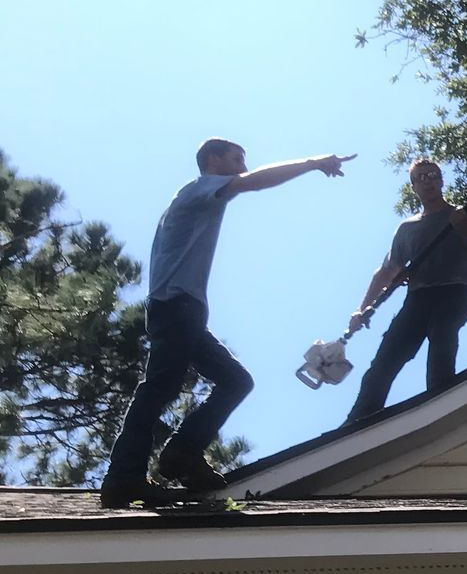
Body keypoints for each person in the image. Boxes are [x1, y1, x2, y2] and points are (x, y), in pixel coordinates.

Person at [100, 139, 354, 508]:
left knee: (236, 381)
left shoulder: (197, 198)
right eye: (236, 158)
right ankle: (123, 477)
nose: (242, 166)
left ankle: (181, 454)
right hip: (176, 307)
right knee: (158, 388)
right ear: (212, 160)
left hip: (183, 311)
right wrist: (314, 162)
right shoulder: (198, 189)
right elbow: (254, 182)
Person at [344, 159, 467, 422]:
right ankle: (357, 420)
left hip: (456, 291)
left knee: (442, 335)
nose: (428, 180)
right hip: (418, 298)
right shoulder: (408, 229)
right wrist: (361, 310)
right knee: (387, 356)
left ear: (442, 180)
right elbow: (386, 272)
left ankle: (440, 400)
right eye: (421, 177)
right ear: (413, 187)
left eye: (433, 175)